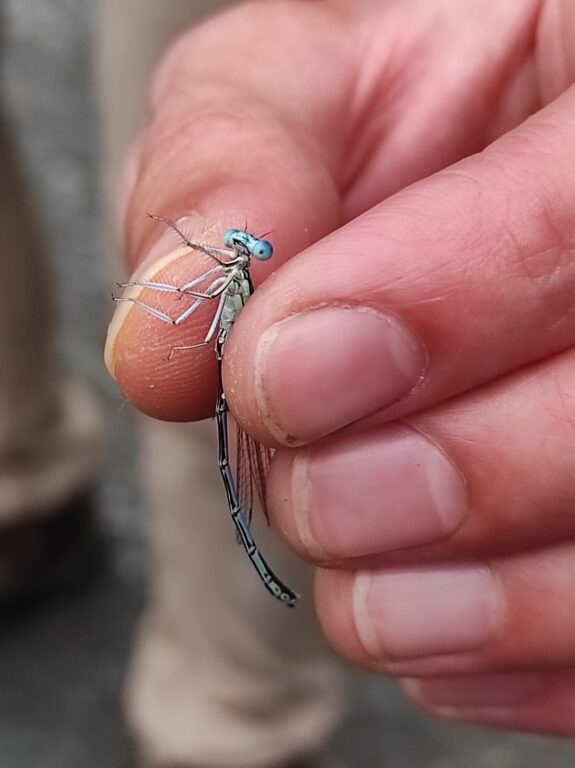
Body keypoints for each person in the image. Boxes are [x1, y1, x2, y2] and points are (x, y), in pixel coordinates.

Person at [106, 0, 575, 742]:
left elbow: (180, 304)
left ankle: (238, 710)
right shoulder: (228, 265)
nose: (243, 245)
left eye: (244, 248)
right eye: (243, 246)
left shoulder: (228, 278)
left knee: (228, 424)